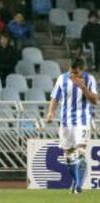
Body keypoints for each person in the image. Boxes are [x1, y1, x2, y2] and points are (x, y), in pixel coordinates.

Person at [46, 58, 98, 194]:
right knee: (69, 157)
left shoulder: (89, 79)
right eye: (71, 72)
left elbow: (94, 100)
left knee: (80, 153)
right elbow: (55, 98)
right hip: (65, 123)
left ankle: (79, 187)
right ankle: (75, 182)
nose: (72, 75)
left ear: (82, 71)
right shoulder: (62, 79)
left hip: (82, 121)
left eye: (75, 73)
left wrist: (83, 88)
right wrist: (50, 113)